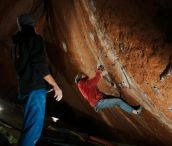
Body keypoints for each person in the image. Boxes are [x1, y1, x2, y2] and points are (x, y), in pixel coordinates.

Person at [11, 14, 63, 146]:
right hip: (34, 91)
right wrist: (55, 85)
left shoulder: (15, 45)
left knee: (29, 127)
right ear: (32, 26)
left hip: (25, 90)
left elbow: (22, 69)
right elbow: (39, 64)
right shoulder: (34, 38)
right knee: (33, 131)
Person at [75, 65, 142, 115]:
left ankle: (133, 108)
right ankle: (136, 112)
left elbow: (93, 83)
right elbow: (94, 81)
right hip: (98, 102)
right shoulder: (81, 84)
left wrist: (99, 72)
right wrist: (99, 71)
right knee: (118, 101)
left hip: (100, 98)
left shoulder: (85, 84)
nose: (83, 74)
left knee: (119, 99)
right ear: (80, 78)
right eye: (82, 75)